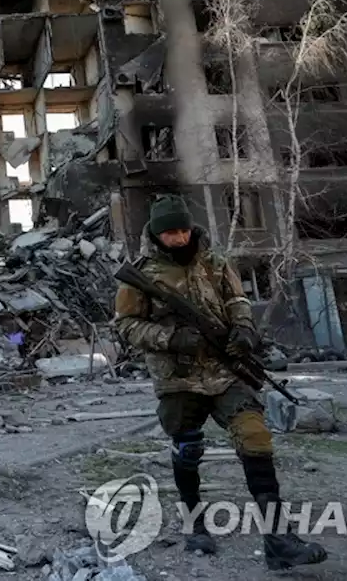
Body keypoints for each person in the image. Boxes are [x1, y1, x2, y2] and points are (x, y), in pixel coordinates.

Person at [113, 194, 328, 569]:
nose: (178, 238)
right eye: (170, 233)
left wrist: (244, 328)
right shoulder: (141, 273)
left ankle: (279, 540)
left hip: (226, 371)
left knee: (255, 436)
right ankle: (196, 524)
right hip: (178, 379)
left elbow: (237, 300)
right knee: (187, 448)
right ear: (156, 234)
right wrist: (171, 339)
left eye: (182, 230)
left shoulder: (214, 261)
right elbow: (126, 326)